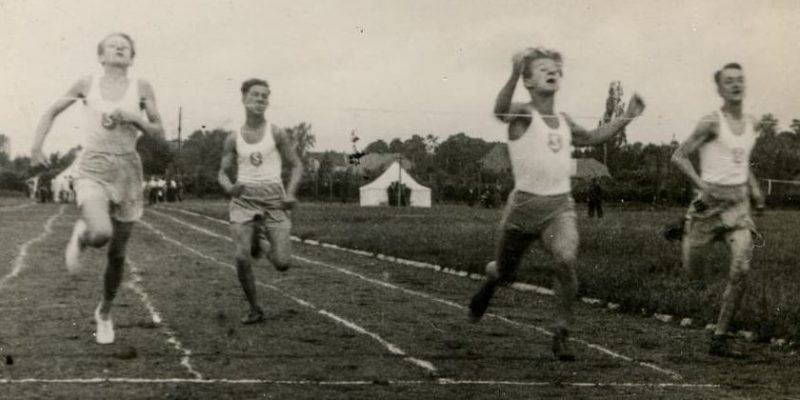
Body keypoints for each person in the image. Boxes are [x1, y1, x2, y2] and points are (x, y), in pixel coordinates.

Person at [467, 47, 645, 361]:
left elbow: (592, 137)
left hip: (559, 208)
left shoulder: (563, 121)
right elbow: (499, 110)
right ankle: (491, 279)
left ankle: (562, 332)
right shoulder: (523, 113)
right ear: (528, 81)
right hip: (522, 209)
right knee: (506, 273)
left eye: (554, 69)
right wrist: (511, 73)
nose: (550, 72)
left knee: (565, 259)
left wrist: (628, 115)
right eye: (541, 69)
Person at [30, 33, 164, 344]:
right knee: (101, 233)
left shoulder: (141, 88)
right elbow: (51, 111)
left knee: (117, 255)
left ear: (132, 56)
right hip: (93, 166)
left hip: (128, 170)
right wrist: (37, 147)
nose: (120, 47)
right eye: (113, 44)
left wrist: (135, 118)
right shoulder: (86, 84)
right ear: (101, 55)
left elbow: (159, 133)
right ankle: (84, 233)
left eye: (126, 45)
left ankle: (104, 312)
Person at [670, 62, 764, 358]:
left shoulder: (753, 124)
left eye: (739, 80)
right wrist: (699, 185)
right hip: (708, 207)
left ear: (744, 85)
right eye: (729, 81)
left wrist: (754, 186)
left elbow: (739, 159)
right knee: (696, 275)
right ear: (720, 89)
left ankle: (720, 337)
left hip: (738, 206)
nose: (735, 85)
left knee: (742, 269)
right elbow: (679, 156)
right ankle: (686, 227)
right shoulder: (710, 122)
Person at [218, 78, 303, 324]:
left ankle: (261, 240)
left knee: (283, 263)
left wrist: (291, 192)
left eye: (265, 96)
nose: (260, 99)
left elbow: (296, 165)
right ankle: (254, 308)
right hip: (244, 199)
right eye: (255, 95)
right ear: (243, 99)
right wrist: (229, 187)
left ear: (268, 102)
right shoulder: (233, 138)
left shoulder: (276, 133)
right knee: (241, 257)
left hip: (274, 198)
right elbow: (222, 172)